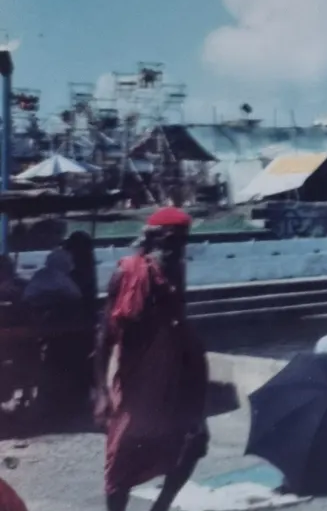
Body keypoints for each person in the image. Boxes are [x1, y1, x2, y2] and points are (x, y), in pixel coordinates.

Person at [95, 207, 209, 511]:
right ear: (155, 238)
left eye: (183, 242)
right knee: (122, 458)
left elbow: (177, 321)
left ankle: (161, 507)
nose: (178, 248)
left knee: (194, 443)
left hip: (173, 375)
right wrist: (101, 392)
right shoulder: (127, 272)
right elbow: (105, 334)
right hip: (135, 379)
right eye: (172, 240)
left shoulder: (176, 270)